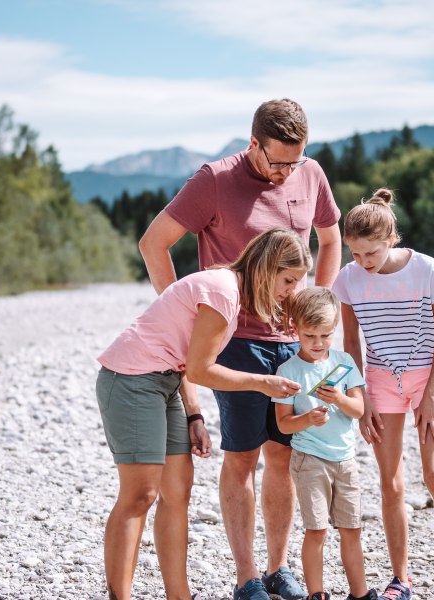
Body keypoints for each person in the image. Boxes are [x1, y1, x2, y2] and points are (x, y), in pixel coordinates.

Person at [139, 98, 342, 600]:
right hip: (239, 340)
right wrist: (183, 312)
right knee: (243, 456)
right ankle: (247, 578)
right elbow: (153, 243)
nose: (285, 173)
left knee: (284, 454)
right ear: (254, 144)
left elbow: (331, 239)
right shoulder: (214, 179)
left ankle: (278, 569)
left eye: (294, 162)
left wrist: (319, 299)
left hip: (292, 339)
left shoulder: (310, 173)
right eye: (277, 162)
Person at [96, 228, 310, 600]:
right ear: (267, 268)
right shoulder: (222, 292)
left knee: (178, 492)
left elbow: (185, 363)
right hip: (131, 380)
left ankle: (180, 596)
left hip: (165, 382)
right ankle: (120, 596)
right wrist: (264, 383)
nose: (291, 290)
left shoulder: (232, 292)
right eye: (288, 280)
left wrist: (194, 416)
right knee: (140, 495)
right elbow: (200, 369)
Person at [331, 189, 434, 600]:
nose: (362, 262)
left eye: (370, 253)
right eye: (354, 254)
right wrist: (362, 397)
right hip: (379, 382)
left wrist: (431, 394)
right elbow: (351, 344)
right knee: (390, 484)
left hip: (428, 380)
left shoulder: (426, 270)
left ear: (391, 239)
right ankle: (401, 578)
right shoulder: (348, 280)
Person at [272, 287, 376, 600]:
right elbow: (283, 423)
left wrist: (340, 398)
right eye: (309, 336)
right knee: (316, 530)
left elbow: (359, 411)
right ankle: (317, 593)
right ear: (295, 330)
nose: (318, 344)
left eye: (325, 335)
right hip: (309, 460)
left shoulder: (344, 362)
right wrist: (309, 419)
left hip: (346, 460)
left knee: (352, 529)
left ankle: (359, 593)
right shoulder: (288, 371)